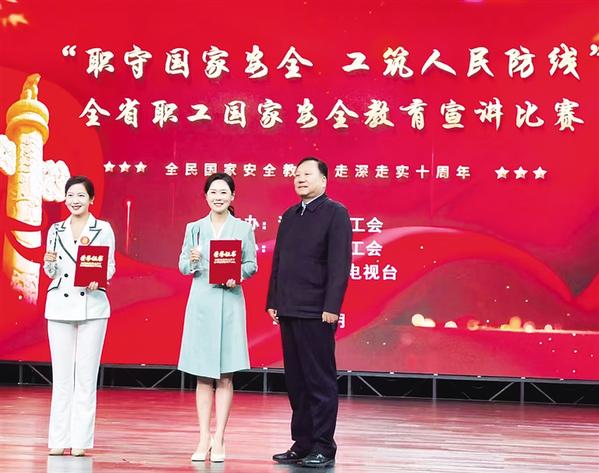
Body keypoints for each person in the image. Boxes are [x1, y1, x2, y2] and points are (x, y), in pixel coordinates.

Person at [266, 157, 352, 468]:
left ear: (324, 180)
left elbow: (340, 264)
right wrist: (273, 300)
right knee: (297, 381)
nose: (300, 179)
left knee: (319, 381)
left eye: (307, 174)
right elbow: (279, 261)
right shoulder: (290, 215)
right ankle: (302, 443)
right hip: (289, 308)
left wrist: (332, 307)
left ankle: (323, 446)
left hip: (317, 311)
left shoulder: (335, 213)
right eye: (297, 174)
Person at [178, 173, 258, 463]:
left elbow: (251, 264)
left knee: (225, 376)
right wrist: (192, 261)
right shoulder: (194, 228)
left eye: (224, 192)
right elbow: (182, 265)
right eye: (213, 192)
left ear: (232, 196)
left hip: (229, 302)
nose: (218, 197)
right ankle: (203, 437)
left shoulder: (243, 228)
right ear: (206, 196)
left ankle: (220, 437)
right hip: (202, 304)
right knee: (202, 375)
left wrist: (237, 274)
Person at [43, 175, 116, 457]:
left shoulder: (103, 229)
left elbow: (109, 266)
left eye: (81, 196)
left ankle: (80, 441)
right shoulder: (56, 230)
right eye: (71, 195)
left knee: (86, 377)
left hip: (92, 306)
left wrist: (100, 279)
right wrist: (48, 263)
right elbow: (51, 271)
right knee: (62, 377)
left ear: (91, 199)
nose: (75, 200)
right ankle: (58, 438)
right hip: (59, 306)